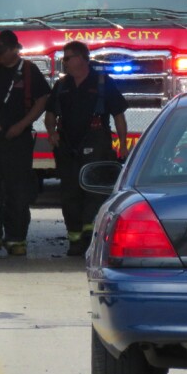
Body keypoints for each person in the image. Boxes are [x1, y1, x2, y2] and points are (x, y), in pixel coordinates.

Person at [0, 30, 50, 256]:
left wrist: (21, 125)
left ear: (15, 49)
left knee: (17, 191)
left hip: (19, 142)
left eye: (3, 52)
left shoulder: (29, 71)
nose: (0, 56)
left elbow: (42, 100)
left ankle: (16, 240)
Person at [44, 41, 129, 256]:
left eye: (68, 57)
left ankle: (92, 240)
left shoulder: (103, 83)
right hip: (67, 148)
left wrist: (124, 145)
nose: (64, 62)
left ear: (82, 59)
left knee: (94, 193)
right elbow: (50, 115)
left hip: (97, 145)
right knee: (69, 194)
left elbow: (119, 115)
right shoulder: (62, 86)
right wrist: (52, 133)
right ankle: (75, 240)